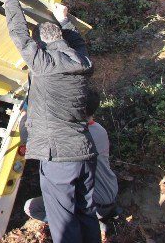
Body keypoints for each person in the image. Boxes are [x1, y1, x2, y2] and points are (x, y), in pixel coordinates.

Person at [4, 0, 100, 243]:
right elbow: (77, 44)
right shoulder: (83, 63)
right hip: (84, 151)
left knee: (63, 220)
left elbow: (19, 36)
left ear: (42, 46)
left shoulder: (44, 64)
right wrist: (64, 21)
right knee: (85, 212)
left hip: (59, 155)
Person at [23, 89, 119, 238]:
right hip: (110, 195)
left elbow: (27, 137)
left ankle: (86, 225)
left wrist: (25, 113)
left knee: (31, 207)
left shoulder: (74, 137)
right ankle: (99, 221)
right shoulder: (100, 131)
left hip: (94, 205)